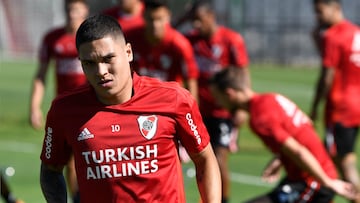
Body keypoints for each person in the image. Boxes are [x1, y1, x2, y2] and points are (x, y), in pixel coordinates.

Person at [39, 14, 221, 203]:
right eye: (89, 63)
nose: (101, 72)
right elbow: (51, 170)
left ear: (128, 53)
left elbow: (204, 160)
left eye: (108, 58)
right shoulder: (64, 110)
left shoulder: (173, 98)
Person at [209, 66, 359, 203]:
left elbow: (299, 150)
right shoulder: (271, 98)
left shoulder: (260, 119)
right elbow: (303, 128)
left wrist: (328, 182)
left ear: (230, 94)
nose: (218, 103)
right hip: (305, 177)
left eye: (218, 98)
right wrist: (281, 157)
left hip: (313, 182)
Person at [176, 1, 250, 202]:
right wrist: (182, 19)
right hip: (197, 111)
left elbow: (242, 73)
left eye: (199, 20)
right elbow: (167, 34)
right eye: (193, 21)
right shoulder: (189, 40)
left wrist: (242, 108)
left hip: (223, 112)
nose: (196, 25)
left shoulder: (231, 40)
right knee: (185, 158)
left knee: (218, 159)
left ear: (211, 16)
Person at [29, 0, 89, 202]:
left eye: (78, 11)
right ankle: (78, 198)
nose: (73, 15)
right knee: (70, 159)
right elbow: (41, 74)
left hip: (90, 107)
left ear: (85, 12)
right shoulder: (53, 39)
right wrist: (34, 106)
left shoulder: (91, 39)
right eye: (71, 10)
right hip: (65, 111)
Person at [310, 1, 360, 202]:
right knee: (333, 162)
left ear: (335, 7)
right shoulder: (355, 32)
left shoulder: (333, 35)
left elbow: (327, 76)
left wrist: (314, 106)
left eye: (320, 12)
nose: (318, 17)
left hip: (340, 108)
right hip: (356, 105)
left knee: (340, 163)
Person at [125, 0, 199, 99]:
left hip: (169, 101)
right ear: (143, 16)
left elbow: (191, 81)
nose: (155, 25)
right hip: (139, 99)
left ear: (168, 17)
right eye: (151, 19)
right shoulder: (131, 40)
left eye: (159, 19)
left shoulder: (180, 45)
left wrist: (191, 110)